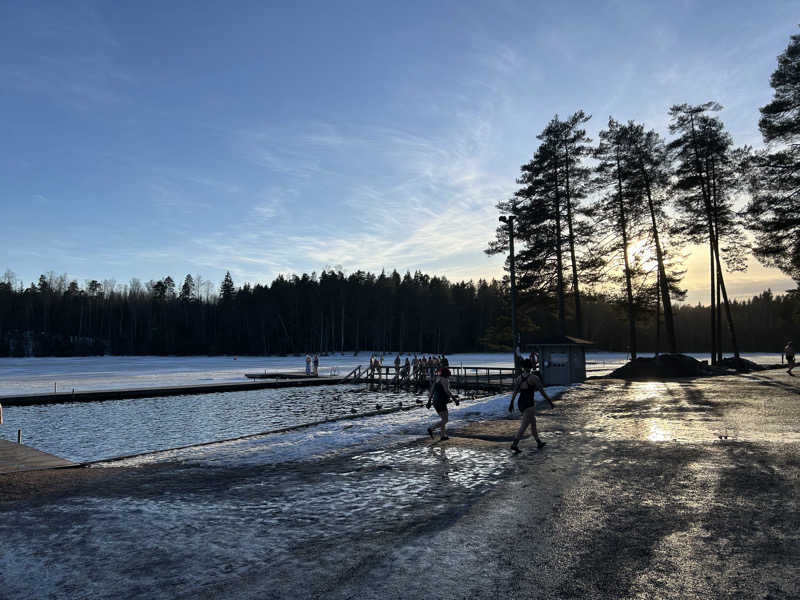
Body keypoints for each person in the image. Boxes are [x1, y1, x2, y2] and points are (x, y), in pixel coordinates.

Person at [508, 358, 554, 453]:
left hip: (521, 402)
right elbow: (541, 391)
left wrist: (511, 403)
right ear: (530, 367)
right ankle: (514, 444)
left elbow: (515, 391)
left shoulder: (519, 378)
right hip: (529, 403)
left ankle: (538, 442)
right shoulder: (534, 378)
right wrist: (549, 401)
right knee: (524, 425)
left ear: (523, 367)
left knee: (533, 421)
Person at [426, 367, 458, 441]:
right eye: (448, 374)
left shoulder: (437, 379)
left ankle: (443, 435)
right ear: (446, 374)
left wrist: (429, 401)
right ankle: (431, 428)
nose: (449, 376)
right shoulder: (445, 380)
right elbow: (447, 391)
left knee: (443, 419)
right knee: (445, 420)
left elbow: (432, 391)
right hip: (440, 401)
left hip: (436, 402)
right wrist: (454, 399)